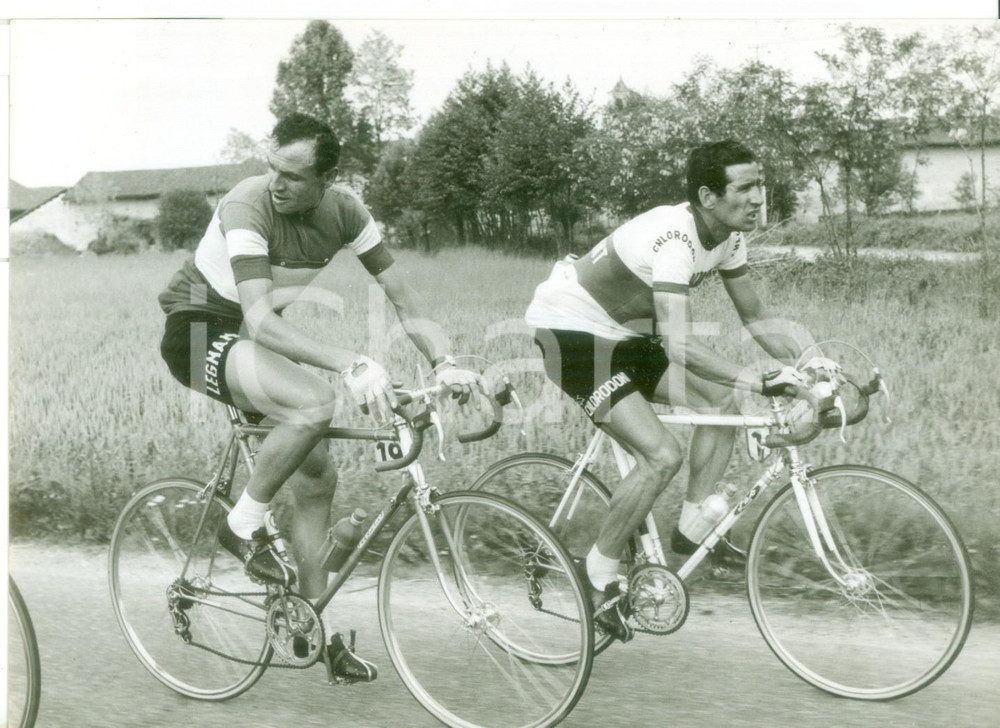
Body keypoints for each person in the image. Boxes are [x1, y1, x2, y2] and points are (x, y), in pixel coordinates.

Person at [158, 112, 481, 681]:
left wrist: (446, 361)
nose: (276, 182)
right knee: (313, 403)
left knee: (316, 480)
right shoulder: (247, 203)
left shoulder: (346, 212)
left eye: (293, 175)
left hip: (252, 340)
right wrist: (352, 362)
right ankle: (239, 525)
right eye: (272, 167)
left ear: (326, 179)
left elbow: (403, 295)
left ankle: (310, 629)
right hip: (200, 329)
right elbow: (259, 319)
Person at [525, 140, 810, 642]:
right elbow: (678, 344)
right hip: (570, 334)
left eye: (759, 185)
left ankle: (693, 523)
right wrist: (753, 377)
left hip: (627, 335)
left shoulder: (729, 237)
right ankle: (596, 574)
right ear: (708, 196)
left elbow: (757, 318)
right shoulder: (676, 240)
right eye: (745, 187)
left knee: (719, 402)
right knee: (660, 454)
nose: (758, 197)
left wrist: (811, 365)